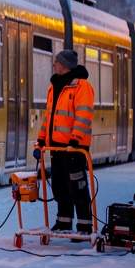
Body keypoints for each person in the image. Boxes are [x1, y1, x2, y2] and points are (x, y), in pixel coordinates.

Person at [34, 49, 96, 235]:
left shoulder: (81, 86)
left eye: (57, 62)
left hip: (74, 149)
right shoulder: (54, 87)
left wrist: (75, 140)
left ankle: (84, 226)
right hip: (56, 147)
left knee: (77, 187)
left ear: (66, 65)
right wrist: (41, 139)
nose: (54, 65)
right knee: (60, 186)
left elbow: (83, 116)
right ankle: (63, 222)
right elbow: (50, 117)